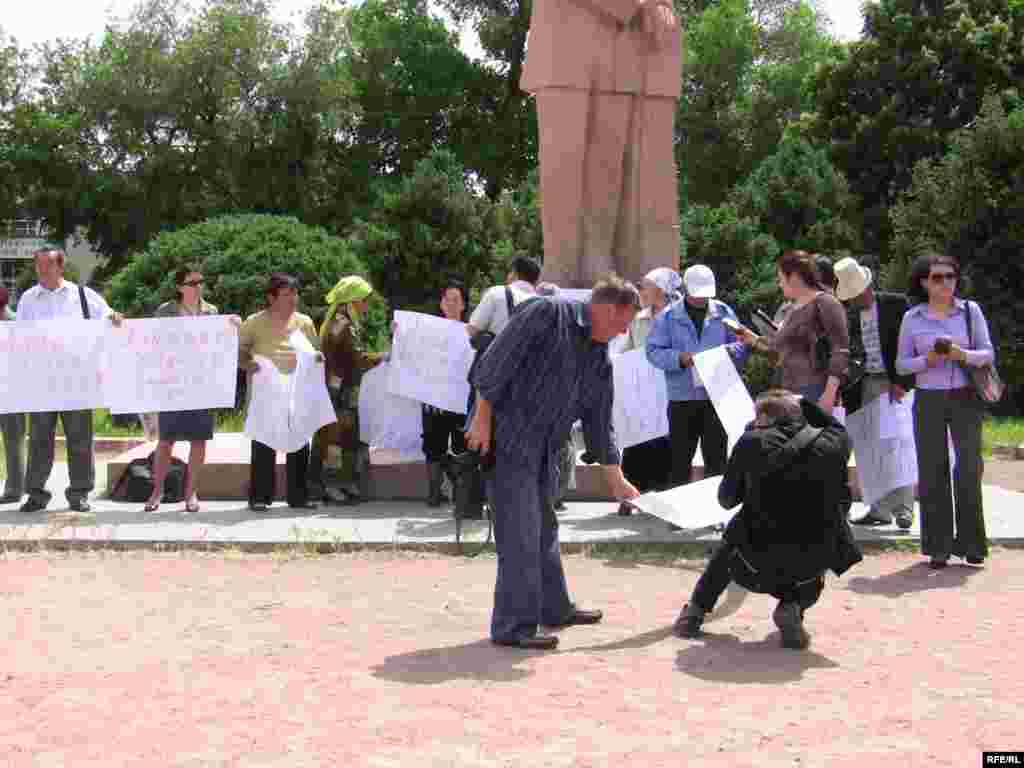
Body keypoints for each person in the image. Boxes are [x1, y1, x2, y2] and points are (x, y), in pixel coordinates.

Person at [466, 275, 642, 650]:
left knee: (544, 529)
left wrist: (617, 480)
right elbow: (493, 364)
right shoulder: (546, 313)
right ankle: (513, 627)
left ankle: (554, 608)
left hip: (548, 448)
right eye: (621, 324)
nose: (620, 333)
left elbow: (599, 422)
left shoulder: (599, 357)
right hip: (508, 438)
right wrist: (481, 420)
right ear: (606, 309)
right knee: (520, 534)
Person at [675, 390, 861, 649]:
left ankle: (695, 612)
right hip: (807, 566)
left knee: (731, 540)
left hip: (752, 563)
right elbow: (835, 424)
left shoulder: (751, 442)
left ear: (763, 417)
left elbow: (727, 500)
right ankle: (792, 606)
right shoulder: (835, 441)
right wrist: (803, 402)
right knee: (819, 549)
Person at [522, 0, 682, 287]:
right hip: (566, 41)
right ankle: (565, 269)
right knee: (564, 168)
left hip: (625, 47)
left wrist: (660, 6)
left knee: (607, 166)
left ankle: (599, 265)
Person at [896, 254, 993, 568]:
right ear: (924, 282)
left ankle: (972, 544)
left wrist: (960, 354)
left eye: (950, 276)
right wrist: (929, 360)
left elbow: (987, 353)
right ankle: (938, 546)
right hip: (928, 398)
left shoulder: (971, 311)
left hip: (966, 397)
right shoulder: (912, 318)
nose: (945, 283)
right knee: (932, 469)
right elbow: (900, 364)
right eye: (937, 277)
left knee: (967, 467)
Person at [16, 248, 124, 514]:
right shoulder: (28, 299)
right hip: (42, 382)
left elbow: (109, 316)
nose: (41, 272)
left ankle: (79, 494)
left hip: (77, 382)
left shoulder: (83, 296)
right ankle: (36, 495)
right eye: (38, 267)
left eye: (46, 266)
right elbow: (18, 337)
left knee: (80, 439)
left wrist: (115, 318)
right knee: (39, 440)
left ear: (60, 267)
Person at [144, 265, 239, 514]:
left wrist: (231, 326)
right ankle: (157, 490)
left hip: (201, 384)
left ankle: (191, 492)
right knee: (166, 441)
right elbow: (152, 343)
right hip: (173, 384)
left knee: (198, 440)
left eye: (201, 282)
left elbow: (219, 343)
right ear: (180, 287)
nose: (198, 287)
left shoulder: (212, 311)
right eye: (192, 283)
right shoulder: (165, 312)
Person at [646, 264, 749, 488]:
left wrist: (730, 353)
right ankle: (678, 515)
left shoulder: (723, 312)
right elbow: (653, 351)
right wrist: (680, 358)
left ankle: (714, 513)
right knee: (679, 460)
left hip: (716, 397)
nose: (702, 299)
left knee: (717, 460)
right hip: (682, 399)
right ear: (686, 289)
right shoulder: (668, 317)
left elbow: (741, 344)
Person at [834, 256, 916, 530]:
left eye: (858, 293)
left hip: (894, 382)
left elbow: (912, 344)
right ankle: (879, 508)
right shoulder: (849, 315)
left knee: (896, 445)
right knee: (869, 448)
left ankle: (904, 509)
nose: (856, 298)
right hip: (864, 383)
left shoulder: (896, 304)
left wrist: (903, 381)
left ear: (868, 286)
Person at [239, 273, 321, 512]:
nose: (293, 298)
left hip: (297, 391)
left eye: (295, 293)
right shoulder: (254, 322)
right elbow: (239, 352)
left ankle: (298, 497)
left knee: (299, 443)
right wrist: (248, 364)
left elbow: (314, 351)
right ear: (271, 297)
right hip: (266, 392)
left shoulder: (304, 321)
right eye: (286, 294)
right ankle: (259, 497)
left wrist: (318, 358)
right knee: (264, 443)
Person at [736, 251, 850, 410]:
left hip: (816, 390)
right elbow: (778, 350)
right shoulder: (793, 309)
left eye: (781, 279)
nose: (779, 284)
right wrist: (753, 339)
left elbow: (840, 350)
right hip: (790, 392)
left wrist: (829, 394)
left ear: (795, 278)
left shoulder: (827, 303)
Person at [312, 276, 384, 505]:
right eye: (364, 300)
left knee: (347, 437)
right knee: (333, 437)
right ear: (352, 300)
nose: (366, 305)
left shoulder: (345, 321)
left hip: (345, 388)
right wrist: (379, 358)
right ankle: (329, 486)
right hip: (337, 390)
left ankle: (344, 483)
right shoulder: (341, 324)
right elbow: (353, 359)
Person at [615, 267, 679, 512]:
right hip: (642, 392)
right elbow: (626, 350)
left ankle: (660, 499)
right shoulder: (638, 319)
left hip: (670, 390)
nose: (642, 290)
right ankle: (630, 497)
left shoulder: (679, 318)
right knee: (635, 443)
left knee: (666, 444)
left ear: (661, 290)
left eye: (646, 285)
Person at [422, 280, 470, 507]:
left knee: (462, 445)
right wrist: (400, 333)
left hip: (460, 400)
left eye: (456, 300)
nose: (451, 304)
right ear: (441, 303)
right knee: (433, 444)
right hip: (434, 399)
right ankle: (434, 493)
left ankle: (462, 491)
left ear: (463, 305)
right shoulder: (426, 331)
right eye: (447, 299)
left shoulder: (471, 331)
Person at [466, 255, 540, 340]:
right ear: (536, 280)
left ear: (514, 273)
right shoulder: (545, 304)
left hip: (498, 352)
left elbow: (472, 329)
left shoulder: (496, 293)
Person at [0, 286, 26, 503]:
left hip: (11, 391)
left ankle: (14, 489)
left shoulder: (16, 325)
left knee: (13, 441)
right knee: (13, 441)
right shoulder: (18, 322)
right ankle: (14, 488)